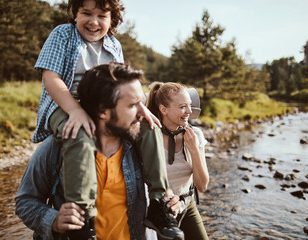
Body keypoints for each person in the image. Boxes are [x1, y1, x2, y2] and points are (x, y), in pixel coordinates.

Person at [31, 0, 182, 238]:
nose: (93, 21)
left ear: (112, 20)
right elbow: (51, 78)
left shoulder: (113, 45)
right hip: (63, 103)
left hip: (103, 105)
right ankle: (83, 216)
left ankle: (157, 203)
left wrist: (140, 106)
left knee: (151, 126)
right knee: (79, 135)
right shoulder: (62, 35)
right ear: (75, 14)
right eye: (86, 13)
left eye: (102, 15)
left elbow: (124, 83)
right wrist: (75, 110)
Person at [16, 63, 184, 240]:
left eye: (141, 102)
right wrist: (54, 221)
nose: (143, 112)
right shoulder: (55, 147)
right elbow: (25, 202)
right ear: (103, 110)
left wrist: (172, 202)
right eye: (133, 105)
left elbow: (169, 191)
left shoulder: (142, 146)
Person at [146, 82, 210, 240]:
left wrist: (194, 149)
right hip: (157, 211)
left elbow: (202, 186)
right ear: (163, 109)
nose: (189, 111)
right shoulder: (149, 136)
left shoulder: (195, 135)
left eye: (189, 105)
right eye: (182, 107)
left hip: (187, 206)